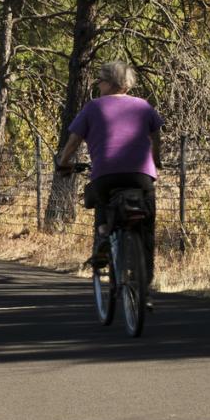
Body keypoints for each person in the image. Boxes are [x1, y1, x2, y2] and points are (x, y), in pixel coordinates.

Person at [54, 60, 164, 303]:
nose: (98, 84)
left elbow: (74, 140)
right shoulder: (143, 106)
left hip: (106, 174)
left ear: (110, 83)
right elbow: (156, 135)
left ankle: (103, 242)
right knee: (146, 227)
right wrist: (155, 160)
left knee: (102, 202)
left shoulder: (93, 107)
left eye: (100, 80)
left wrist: (63, 162)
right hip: (141, 175)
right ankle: (144, 285)